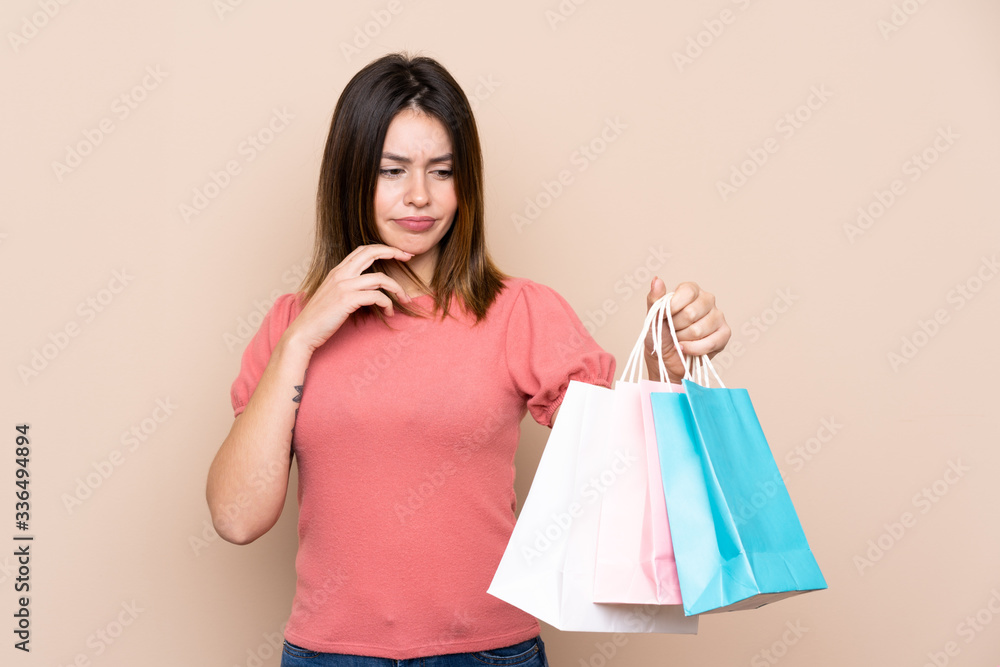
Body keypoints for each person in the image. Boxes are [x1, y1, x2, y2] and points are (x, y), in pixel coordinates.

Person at [205, 52, 731, 666]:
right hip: (329, 655)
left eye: (443, 171)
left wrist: (665, 372)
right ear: (351, 177)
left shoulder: (520, 312)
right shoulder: (290, 326)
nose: (420, 196)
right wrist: (299, 341)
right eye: (392, 171)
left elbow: (623, 469)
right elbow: (236, 518)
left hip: (486, 653)